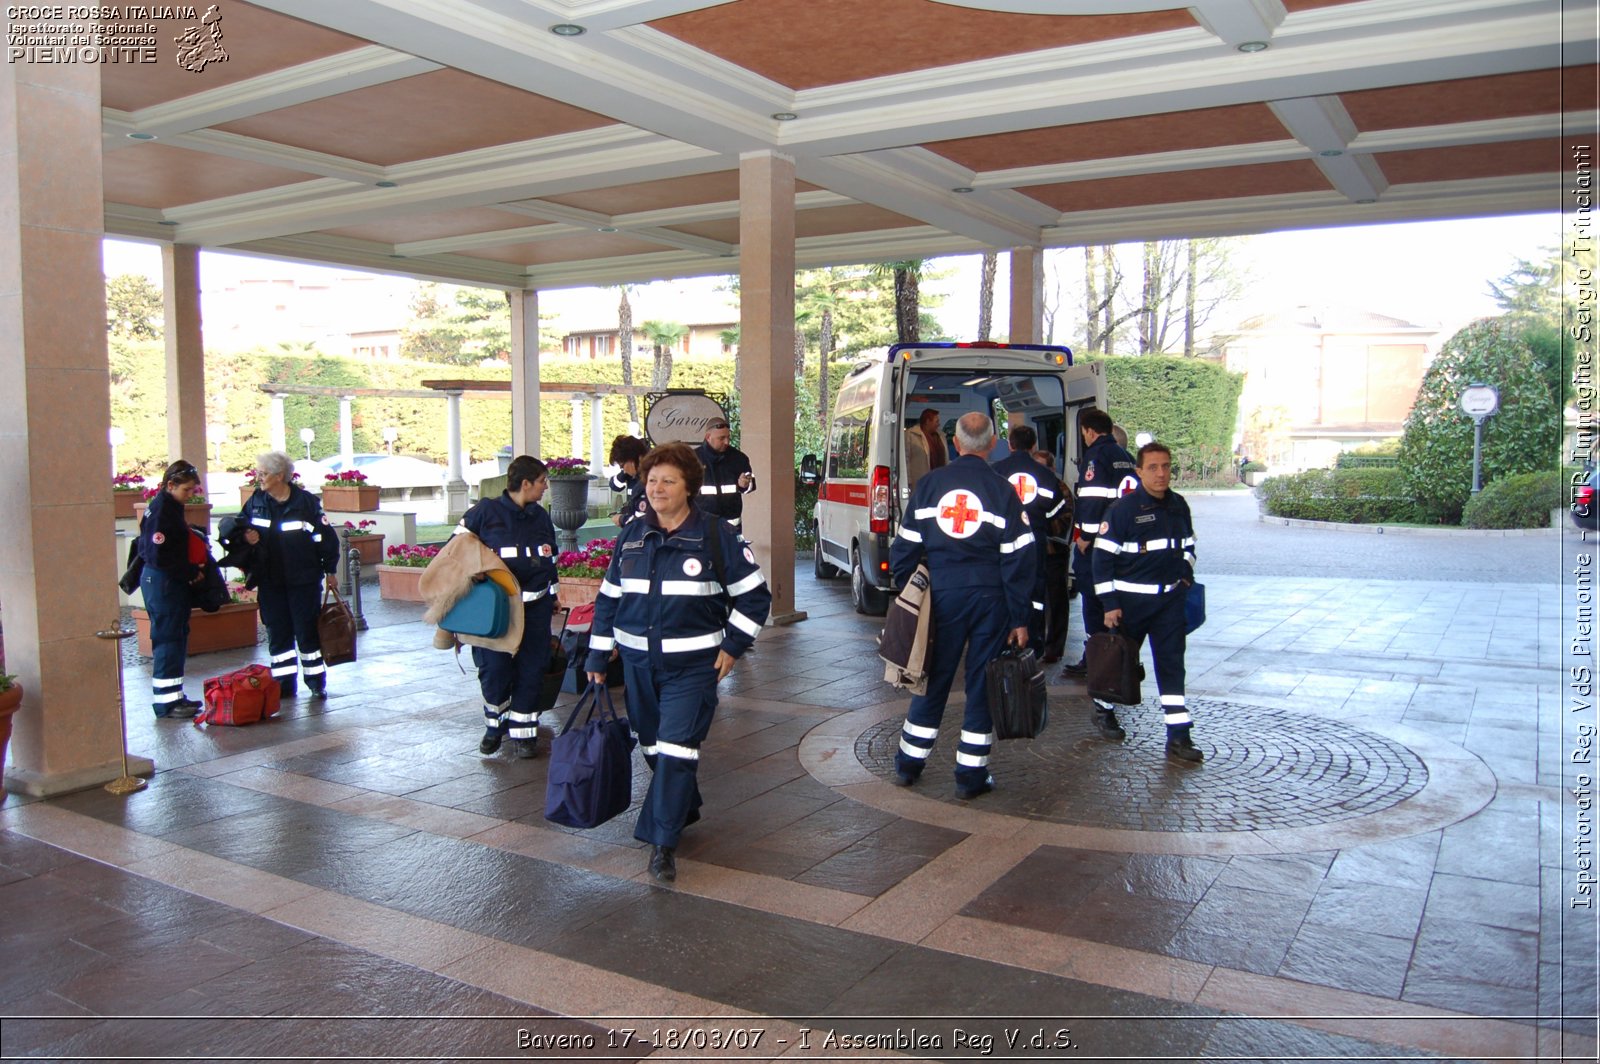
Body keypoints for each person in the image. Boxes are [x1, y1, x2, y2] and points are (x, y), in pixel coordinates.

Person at [586, 442, 772, 883]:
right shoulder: (631, 536)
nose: (657, 488)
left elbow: (755, 597)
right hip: (637, 667)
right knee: (653, 747)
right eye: (651, 480)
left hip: (693, 669)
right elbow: (609, 599)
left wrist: (732, 646)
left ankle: (661, 844)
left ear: (689, 485)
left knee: (675, 747)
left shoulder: (716, 536)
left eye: (668, 480)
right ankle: (682, 804)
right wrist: (597, 652)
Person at [888, 412, 1034, 799]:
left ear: (955, 443)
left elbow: (904, 547)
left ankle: (908, 765)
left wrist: (913, 589)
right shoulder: (1003, 491)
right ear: (991, 444)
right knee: (982, 682)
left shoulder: (930, 485)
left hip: (942, 597)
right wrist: (1020, 616)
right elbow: (1019, 559)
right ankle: (970, 776)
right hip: (992, 598)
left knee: (932, 678)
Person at [1091, 442, 1203, 764]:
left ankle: (1179, 736)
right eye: (1153, 467)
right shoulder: (1122, 511)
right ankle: (1103, 709)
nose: (1161, 474)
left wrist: (1184, 574)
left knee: (1172, 667)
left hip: (1168, 603)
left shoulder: (1179, 506)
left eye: (1166, 466)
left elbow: (1189, 546)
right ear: (1139, 471)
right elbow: (1101, 561)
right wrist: (1110, 604)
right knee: (1118, 663)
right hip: (1129, 605)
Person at [456, 455, 559, 758]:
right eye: (542, 482)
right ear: (525, 483)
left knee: (532, 668)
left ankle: (524, 734)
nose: (545, 487)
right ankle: (494, 728)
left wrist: (553, 595)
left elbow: (550, 559)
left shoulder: (540, 516)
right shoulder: (484, 513)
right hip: (496, 613)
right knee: (494, 669)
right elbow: (455, 549)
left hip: (536, 609)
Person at [238, 451, 340, 699]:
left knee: (306, 630)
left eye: (262, 474)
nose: (258, 478)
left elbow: (325, 539)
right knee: (277, 631)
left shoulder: (305, 504)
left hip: (303, 580)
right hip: (270, 581)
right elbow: (239, 527)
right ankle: (283, 683)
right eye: (258, 473)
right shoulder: (256, 501)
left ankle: (315, 681)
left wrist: (330, 570)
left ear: (280, 475)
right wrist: (244, 537)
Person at [1061, 409, 1138, 690]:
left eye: (1083, 432)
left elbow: (1092, 501)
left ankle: (1096, 657)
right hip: (1122, 544)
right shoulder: (1126, 458)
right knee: (1115, 602)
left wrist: (1086, 537)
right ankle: (1118, 654)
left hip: (1097, 547)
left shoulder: (1095, 457)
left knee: (1094, 601)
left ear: (1090, 431)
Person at [137, 460, 208, 719]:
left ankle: (174, 695)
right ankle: (166, 703)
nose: (190, 495)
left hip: (165, 581)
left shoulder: (168, 507)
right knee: (168, 638)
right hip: (163, 582)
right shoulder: (162, 512)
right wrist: (190, 571)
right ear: (171, 485)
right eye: (186, 490)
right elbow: (160, 555)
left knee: (176, 636)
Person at [990, 425, 1067, 649]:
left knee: (1003, 590)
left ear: (1010, 445)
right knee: (1034, 595)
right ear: (1034, 446)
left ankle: (1003, 639)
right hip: (1035, 543)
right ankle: (1032, 643)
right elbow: (1055, 512)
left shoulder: (996, 471)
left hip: (1001, 544)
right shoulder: (1045, 475)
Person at [1032, 448, 1075, 664]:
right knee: (1035, 601)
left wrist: (1041, 528)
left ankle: (1054, 647)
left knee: (1056, 601)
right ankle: (1036, 642)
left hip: (1054, 552)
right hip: (1033, 554)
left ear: (1052, 468)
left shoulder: (1061, 489)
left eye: (1044, 467)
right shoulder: (1030, 489)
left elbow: (1065, 520)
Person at [694, 418, 756, 530]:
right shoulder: (693, 459)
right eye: (721, 438)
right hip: (701, 527)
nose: (726, 442)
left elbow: (750, 484)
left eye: (728, 437)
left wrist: (745, 484)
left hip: (731, 528)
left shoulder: (739, 458)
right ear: (708, 437)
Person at [607, 434, 649, 527]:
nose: (624, 470)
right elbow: (614, 485)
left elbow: (642, 520)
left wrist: (621, 519)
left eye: (623, 466)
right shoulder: (640, 478)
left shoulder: (651, 480)